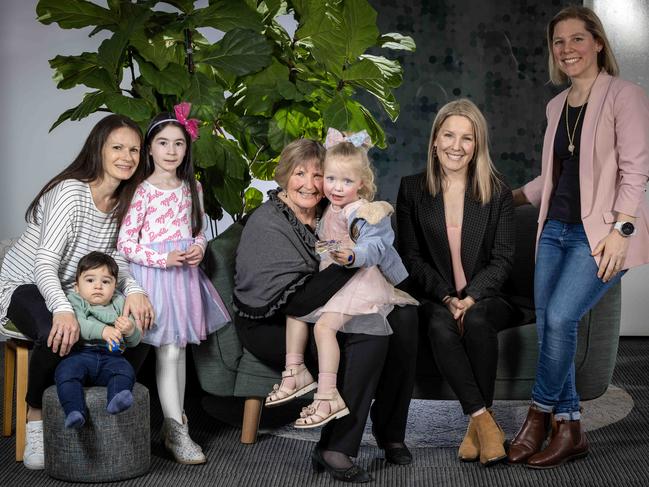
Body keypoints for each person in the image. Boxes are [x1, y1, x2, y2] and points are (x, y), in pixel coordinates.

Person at [507, 6, 649, 469]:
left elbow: (636, 170)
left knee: (560, 318)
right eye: (558, 42)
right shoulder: (556, 105)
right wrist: (507, 199)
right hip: (553, 233)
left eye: (577, 39)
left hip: (600, 234)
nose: (567, 49)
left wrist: (622, 231)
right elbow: (555, 178)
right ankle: (569, 429)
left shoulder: (624, 95)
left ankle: (537, 414)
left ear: (598, 43)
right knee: (554, 325)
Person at [234, 138, 418, 483]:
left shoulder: (331, 208)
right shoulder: (270, 222)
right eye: (299, 173)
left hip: (322, 305)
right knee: (369, 336)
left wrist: (365, 254)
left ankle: (390, 432)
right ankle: (336, 447)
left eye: (318, 175)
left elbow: (366, 239)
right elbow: (293, 301)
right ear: (284, 176)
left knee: (405, 318)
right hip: (274, 322)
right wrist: (354, 260)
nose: (309, 183)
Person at [0, 114, 154, 470]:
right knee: (55, 330)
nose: (127, 157)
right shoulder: (70, 191)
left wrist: (134, 292)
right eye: (117, 147)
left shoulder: (124, 203)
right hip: (24, 283)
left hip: (80, 290)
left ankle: (98, 399)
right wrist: (63, 310)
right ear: (98, 149)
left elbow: (117, 260)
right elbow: (43, 266)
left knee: (144, 325)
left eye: (134, 150)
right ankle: (36, 414)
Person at [264, 130, 417, 431]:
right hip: (334, 279)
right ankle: (294, 370)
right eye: (331, 178)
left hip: (358, 280)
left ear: (361, 183)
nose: (336, 187)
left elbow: (374, 245)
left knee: (323, 327)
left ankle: (327, 395)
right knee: (298, 309)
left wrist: (352, 255)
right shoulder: (329, 207)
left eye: (347, 181)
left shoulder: (363, 211)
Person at [397, 99, 517, 467]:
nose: (456, 145)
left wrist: (471, 298)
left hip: (487, 296)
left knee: (478, 320)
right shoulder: (412, 189)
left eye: (467, 138)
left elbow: (503, 258)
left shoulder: (497, 191)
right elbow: (410, 257)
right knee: (437, 322)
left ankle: (475, 430)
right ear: (434, 140)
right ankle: (484, 421)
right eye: (449, 135)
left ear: (477, 145)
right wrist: (449, 298)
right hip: (435, 297)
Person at [117, 104, 230, 465]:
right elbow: (125, 244)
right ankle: (176, 429)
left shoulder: (190, 186)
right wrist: (161, 259)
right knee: (166, 350)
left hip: (184, 279)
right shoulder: (141, 190)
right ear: (149, 148)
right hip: (155, 279)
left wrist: (198, 249)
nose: (170, 151)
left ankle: (174, 423)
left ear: (186, 148)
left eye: (178, 144)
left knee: (177, 350)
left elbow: (198, 231)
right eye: (162, 143)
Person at [55, 252, 141, 429]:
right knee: (65, 372)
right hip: (80, 355)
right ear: (77, 286)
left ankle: (116, 399)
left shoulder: (119, 302)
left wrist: (130, 329)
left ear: (115, 285)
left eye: (106, 281)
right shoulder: (75, 300)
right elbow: (78, 325)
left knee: (125, 371)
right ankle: (74, 411)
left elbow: (134, 341)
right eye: (90, 280)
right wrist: (103, 330)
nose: (98, 286)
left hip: (112, 357)